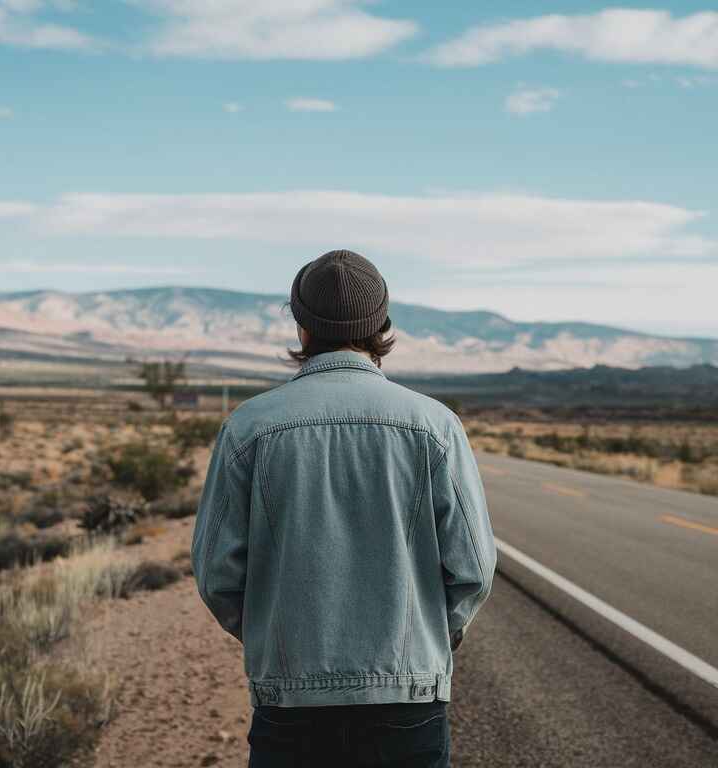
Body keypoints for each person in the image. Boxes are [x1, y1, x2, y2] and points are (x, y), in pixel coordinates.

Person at [191, 249, 497, 767]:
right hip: (407, 699)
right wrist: (430, 639)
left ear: (302, 326)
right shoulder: (435, 426)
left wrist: (277, 635)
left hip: (291, 698)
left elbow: (217, 573)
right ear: (382, 325)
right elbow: (474, 567)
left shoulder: (249, 427)